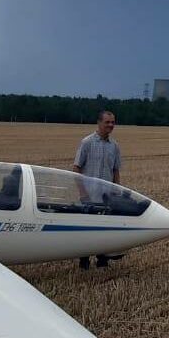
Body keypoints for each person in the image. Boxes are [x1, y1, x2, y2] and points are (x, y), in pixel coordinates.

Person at [74, 110, 121, 269]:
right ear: (99, 122)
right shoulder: (87, 142)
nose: (110, 125)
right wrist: (82, 193)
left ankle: (102, 259)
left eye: (113, 122)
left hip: (106, 197)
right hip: (89, 195)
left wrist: (116, 191)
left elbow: (115, 170)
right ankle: (84, 261)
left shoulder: (114, 146)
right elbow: (76, 168)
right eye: (107, 122)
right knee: (86, 229)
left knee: (104, 228)